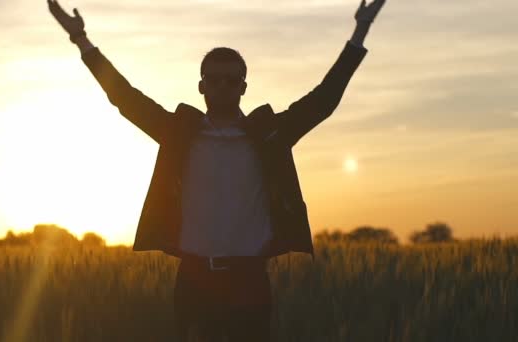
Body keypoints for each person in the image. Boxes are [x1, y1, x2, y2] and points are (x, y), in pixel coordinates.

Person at [48, 1, 386, 340]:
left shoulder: (269, 135)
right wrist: (80, 38)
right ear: (202, 86)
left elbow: (324, 100)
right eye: (214, 79)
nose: (223, 86)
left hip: (250, 281)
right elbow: (124, 97)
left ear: (243, 87)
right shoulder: (178, 133)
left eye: (231, 80)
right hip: (195, 279)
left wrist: (361, 30)